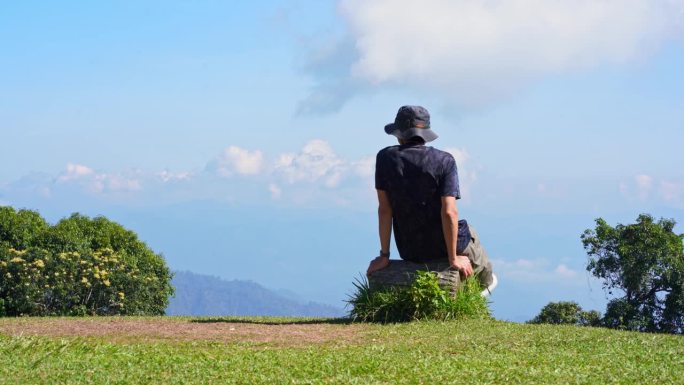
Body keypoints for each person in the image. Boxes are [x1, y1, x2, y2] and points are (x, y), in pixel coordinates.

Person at [366, 105, 496, 293]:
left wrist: (384, 255)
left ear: (399, 133)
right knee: (482, 262)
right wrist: (452, 258)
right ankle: (480, 287)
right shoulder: (444, 161)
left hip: (410, 249)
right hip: (443, 247)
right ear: (425, 133)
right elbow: (449, 211)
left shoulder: (385, 158)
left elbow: (385, 210)